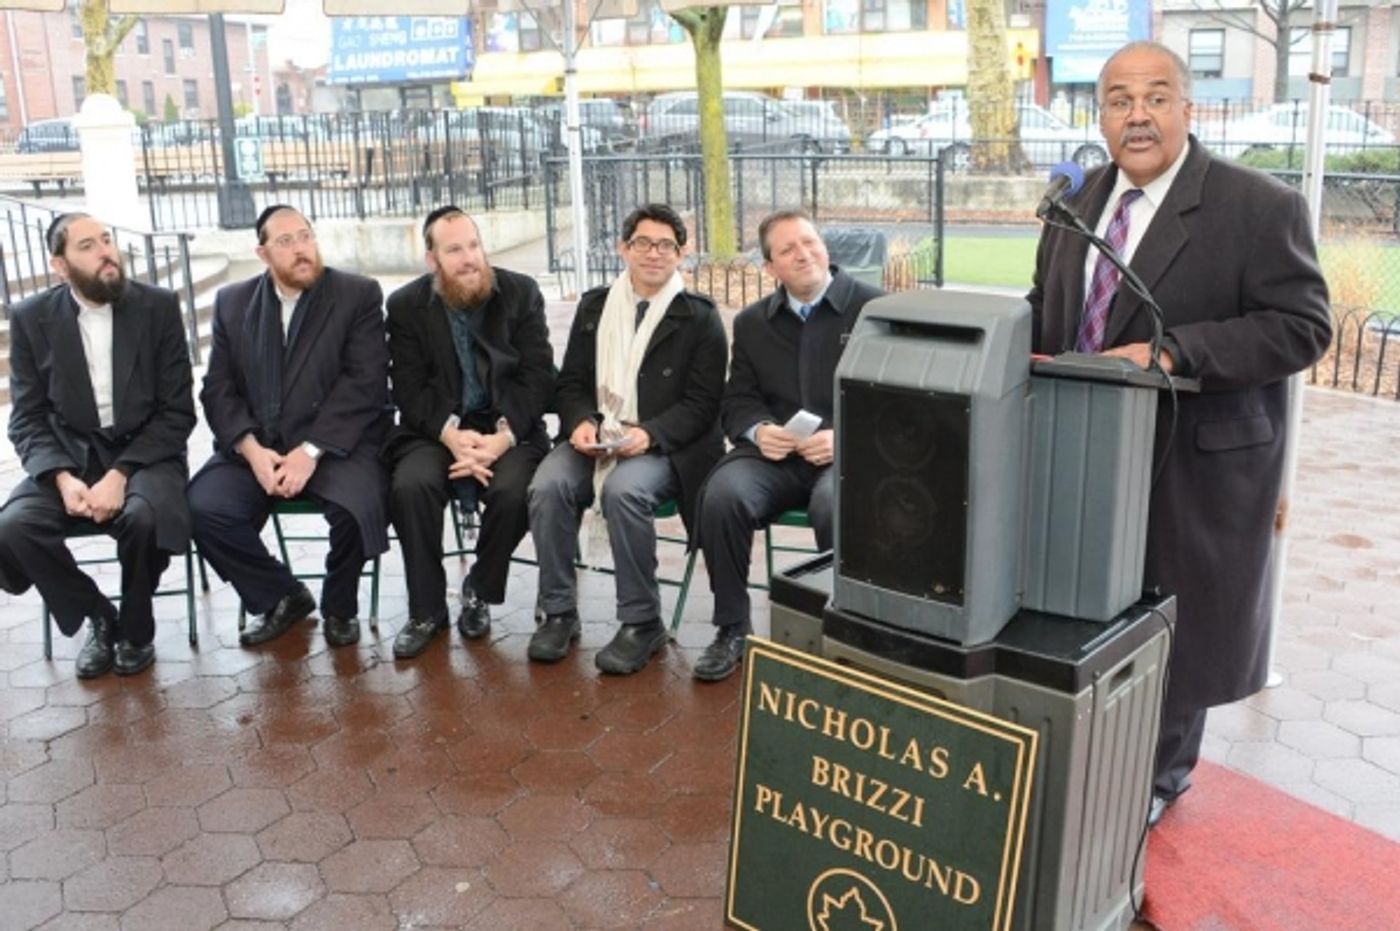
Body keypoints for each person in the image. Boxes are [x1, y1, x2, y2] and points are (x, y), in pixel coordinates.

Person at [1027, 41, 1332, 825]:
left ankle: (1159, 777)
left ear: (1188, 107)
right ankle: (1090, 748)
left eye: (1156, 96)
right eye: (1119, 98)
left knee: (1173, 624)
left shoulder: (1258, 206)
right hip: (1084, 445)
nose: (1137, 114)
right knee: (1087, 608)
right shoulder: (1075, 201)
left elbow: (1302, 325)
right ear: (1098, 115)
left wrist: (1174, 349)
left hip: (1190, 457)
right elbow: (1046, 302)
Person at [526, 203, 726, 674]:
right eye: (642, 243)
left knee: (624, 490)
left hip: (665, 445)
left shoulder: (698, 318)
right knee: (547, 486)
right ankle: (558, 612)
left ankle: (641, 621)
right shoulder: (596, 307)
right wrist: (578, 420)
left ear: (681, 254)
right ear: (623, 248)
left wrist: (649, 435)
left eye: (665, 246)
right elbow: (571, 382)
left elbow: (704, 404)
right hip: (597, 433)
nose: (653, 254)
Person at [692, 210, 884, 682]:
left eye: (809, 242)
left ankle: (844, 635)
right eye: (787, 250)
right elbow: (737, 401)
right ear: (769, 268)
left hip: (848, 458)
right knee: (721, 495)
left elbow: (896, 401)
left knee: (834, 504)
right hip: (775, 458)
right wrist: (759, 430)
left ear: (825, 247)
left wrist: (846, 437)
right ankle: (733, 628)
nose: (803, 254)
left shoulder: (874, 310)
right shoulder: (754, 322)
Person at [0, 213, 195, 678]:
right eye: (87, 246)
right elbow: (26, 416)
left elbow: (177, 412)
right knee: (14, 526)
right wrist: (62, 478)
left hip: (145, 454)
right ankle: (100, 616)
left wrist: (119, 474)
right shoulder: (31, 318)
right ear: (60, 266)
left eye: (106, 240)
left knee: (144, 518)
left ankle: (136, 626)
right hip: (69, 456)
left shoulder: (159, 307)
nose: (106, 251)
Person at [189, 205, 391, 649]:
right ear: (262, 253)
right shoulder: (233, 302)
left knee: (358, 507)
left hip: (337, 444)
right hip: (258, 446)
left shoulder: (357, 295)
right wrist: (249, 448)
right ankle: (281, 596)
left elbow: (365, 382)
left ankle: (340, 605)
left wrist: (312, 450)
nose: (301, 248)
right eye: (286, 241)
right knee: (204, 507)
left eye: (305, 235)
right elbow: (217, 388)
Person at [385, 207, 554, 659]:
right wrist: (451, 436)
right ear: (431, 259)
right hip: (436, 429)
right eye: (454, 250)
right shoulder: (405, 306)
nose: (469, 259)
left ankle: (479, 587)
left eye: (474, 246)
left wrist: (500, 438)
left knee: (517, 489)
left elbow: (537, 376)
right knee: (411, 485)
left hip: (508, 427)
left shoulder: (520, 293)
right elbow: (408, 386)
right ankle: (426, 611)